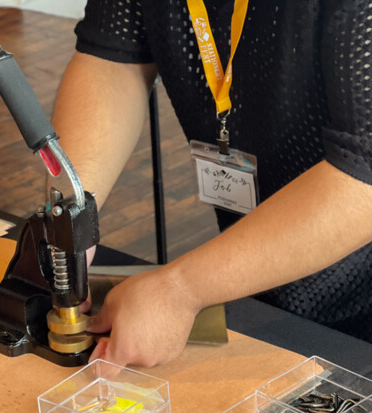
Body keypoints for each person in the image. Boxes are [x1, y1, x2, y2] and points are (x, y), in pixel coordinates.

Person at [45, 0, 372, 366]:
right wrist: (72, 214)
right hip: (265, 280)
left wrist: (182, 289)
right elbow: (112, 59)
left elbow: (365, 173)